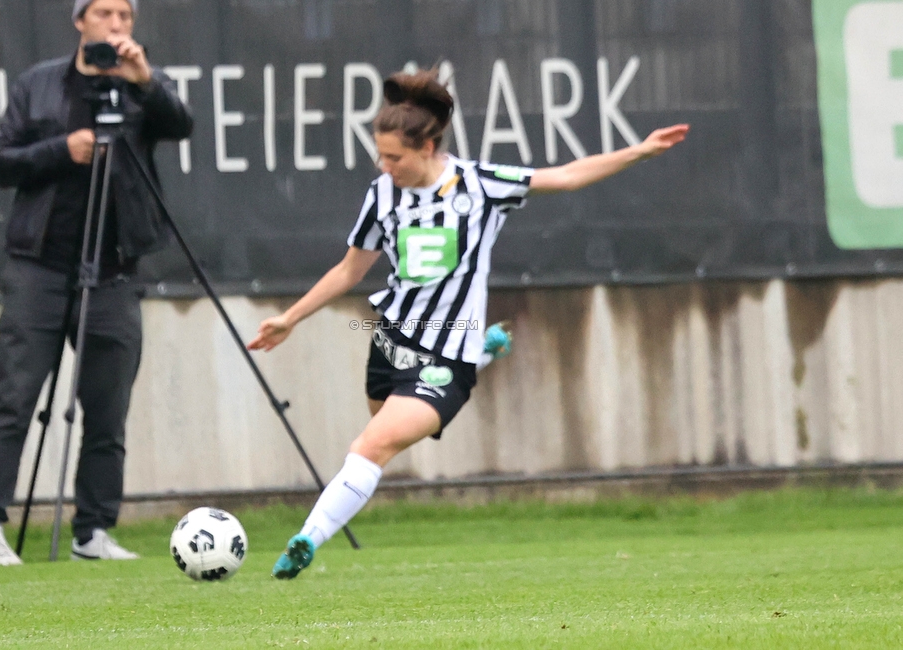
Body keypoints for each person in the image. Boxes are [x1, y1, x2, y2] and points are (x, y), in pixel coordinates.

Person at [248, 69, 689, 579]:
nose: (383, 166)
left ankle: (306, 540)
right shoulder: (382, 196)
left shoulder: (480, 185)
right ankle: (485, 349)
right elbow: (350, 269)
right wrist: (290, 318)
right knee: (380, 430)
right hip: (389, 343)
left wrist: (639, 152)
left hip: (444, 357)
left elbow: (564, 176)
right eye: (380, 155)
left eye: (394, 157)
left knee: (370, 446)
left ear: (429, 146)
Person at [0, 0, 193, 565]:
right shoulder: (38, 85)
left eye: (125, 16)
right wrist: (60, 151)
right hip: (39, 266)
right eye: (105, 14)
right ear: (79, 21)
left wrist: (144, 82)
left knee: (107, 408)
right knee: (13, 401)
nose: (117, 26)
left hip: (113, 271)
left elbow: (182, 126)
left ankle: (93, 530)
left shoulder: (143, 85)